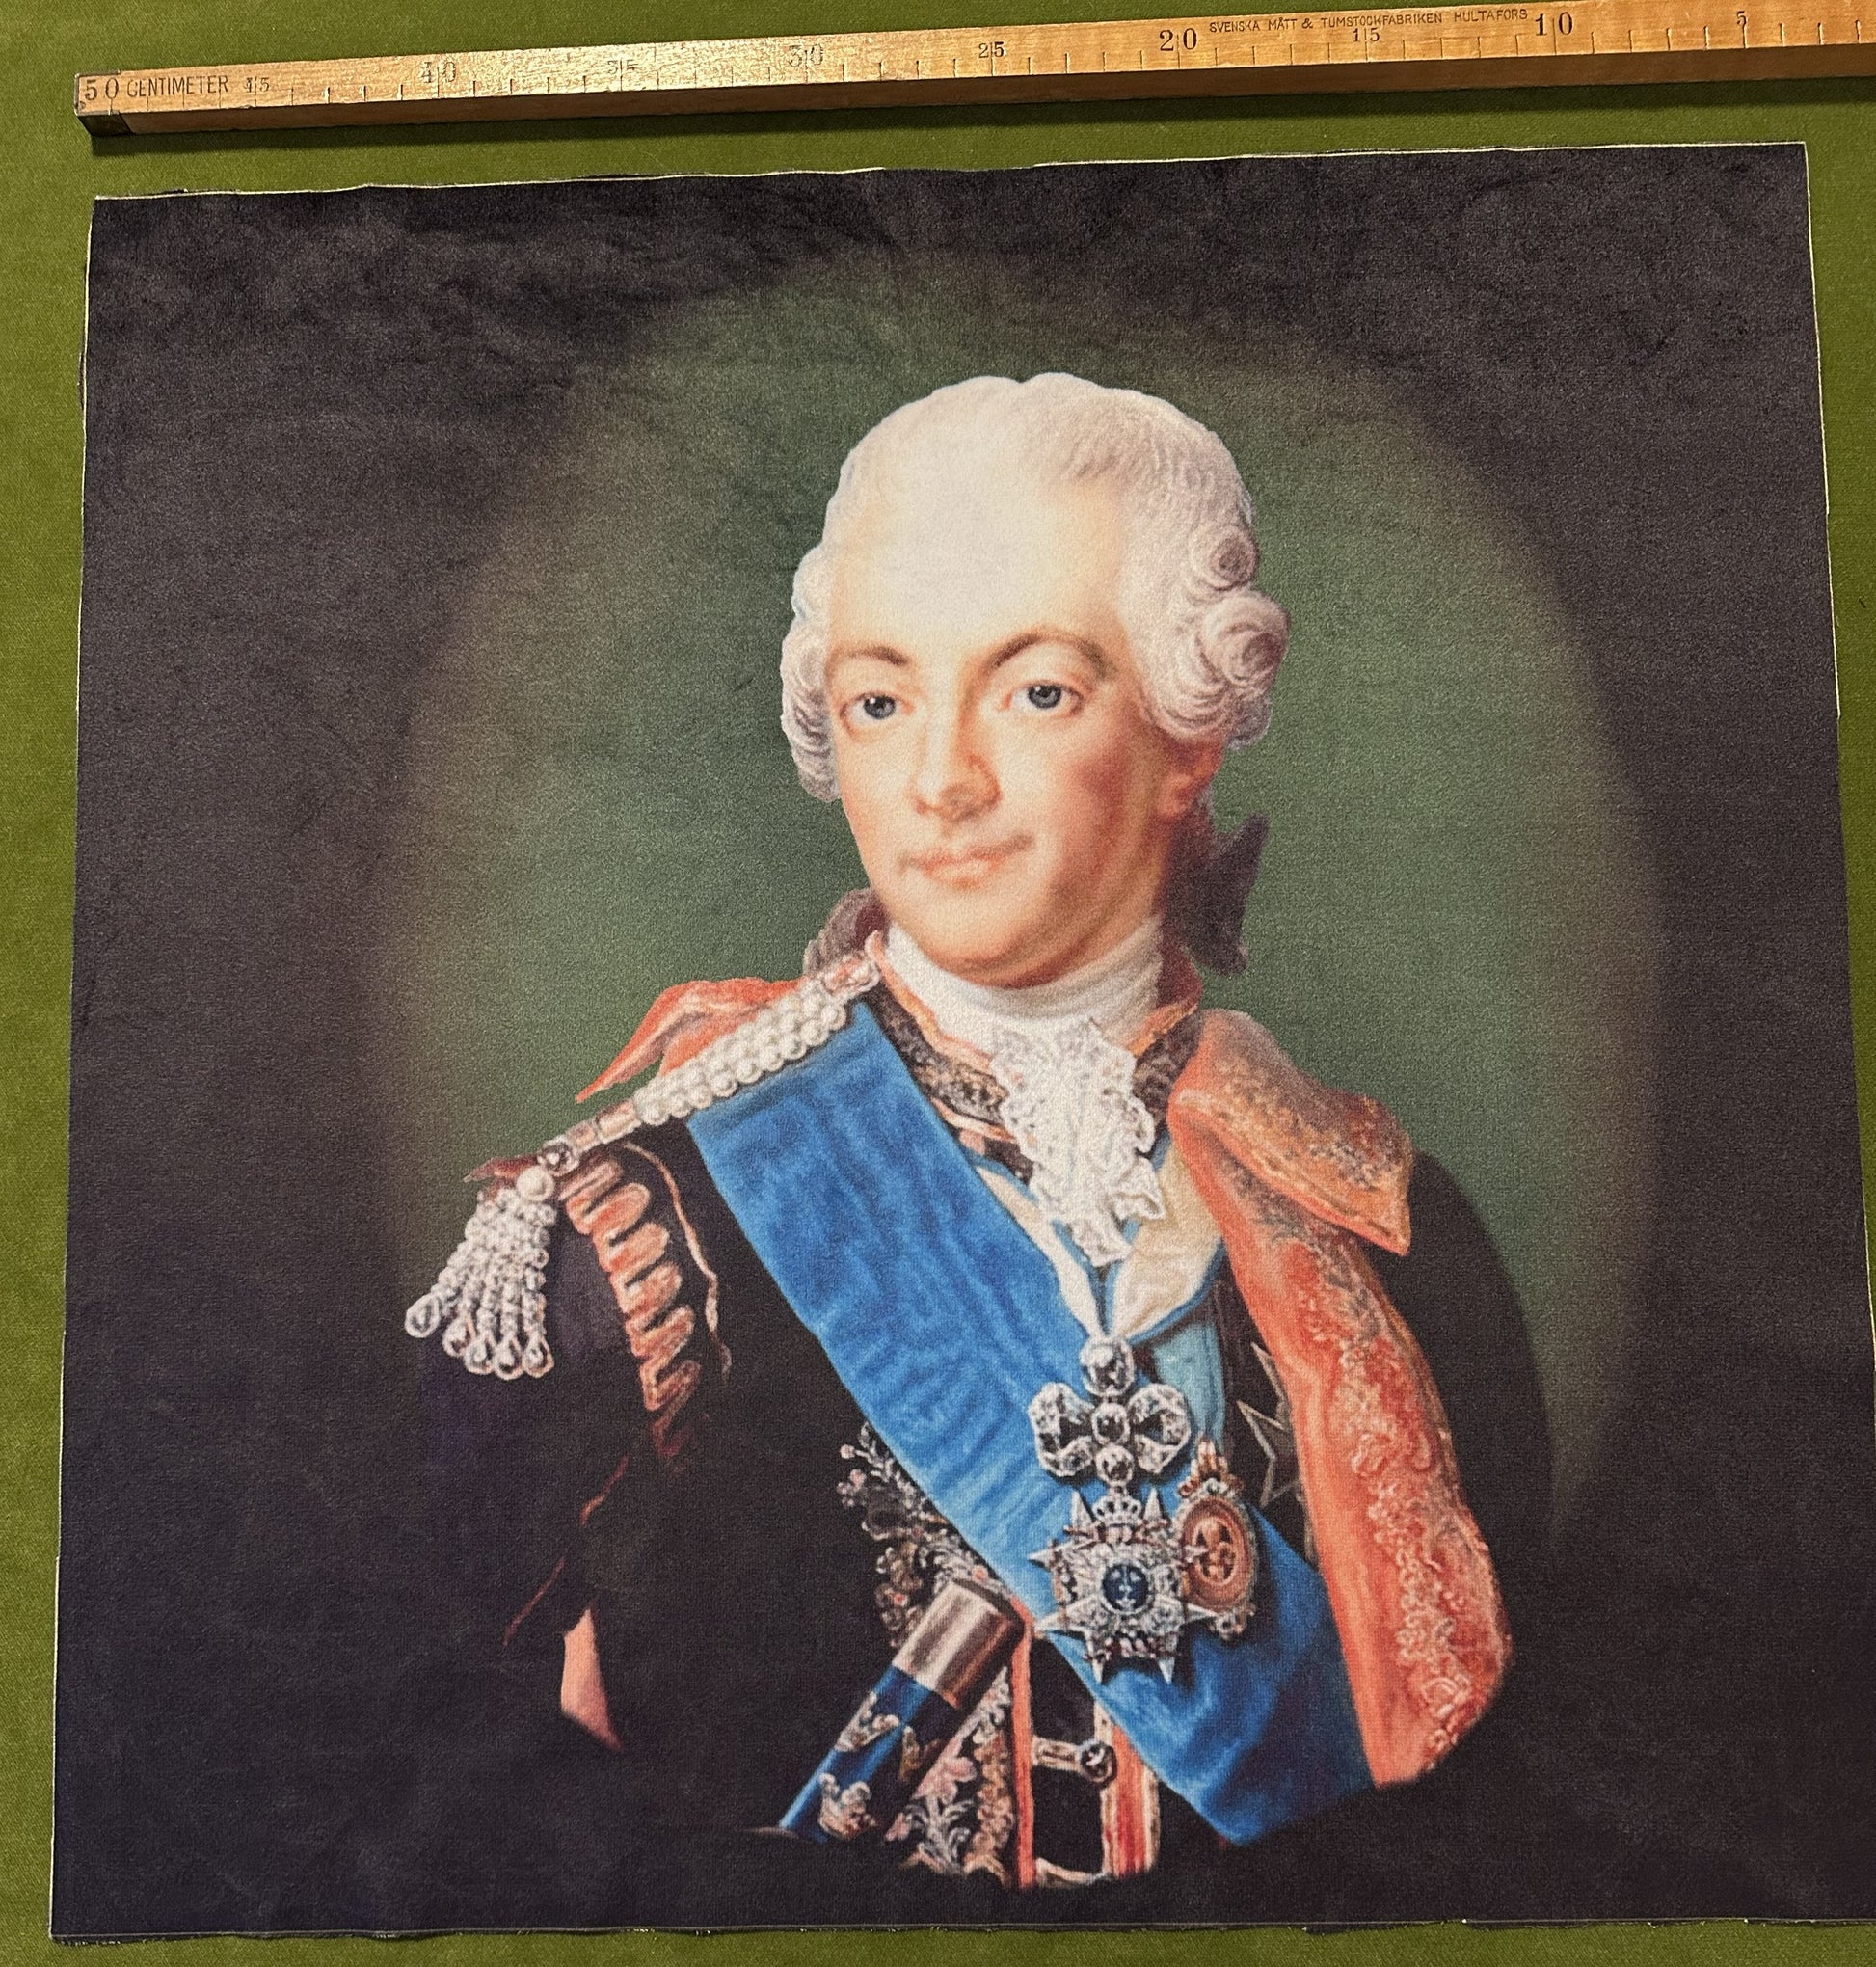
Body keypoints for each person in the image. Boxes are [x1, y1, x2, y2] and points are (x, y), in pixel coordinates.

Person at [404, 374, 1543, 1893]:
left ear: (1189, 734)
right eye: (881, 701)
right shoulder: (632, 1240)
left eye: (1036, 692)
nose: (939, 780)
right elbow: (467, 1811)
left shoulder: (1390, 1236)